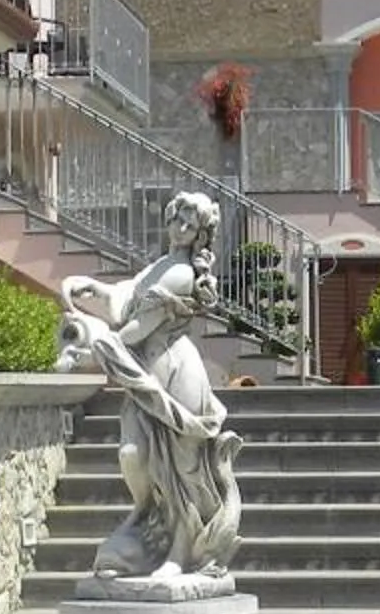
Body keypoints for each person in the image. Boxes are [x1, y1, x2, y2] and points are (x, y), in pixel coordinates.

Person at [56, 191, 243, 591]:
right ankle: (144, 518)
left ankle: (178, 553)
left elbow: (133, 330)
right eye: (177, 220)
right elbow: (125, 302)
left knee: (179, 471)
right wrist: (94, 289)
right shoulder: (161, 264)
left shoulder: (181, 274)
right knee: (132, 456)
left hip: (174, 375)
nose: (179, 228)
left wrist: (92, 341)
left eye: (189, 226)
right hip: (143, 374)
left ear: (200, 236)